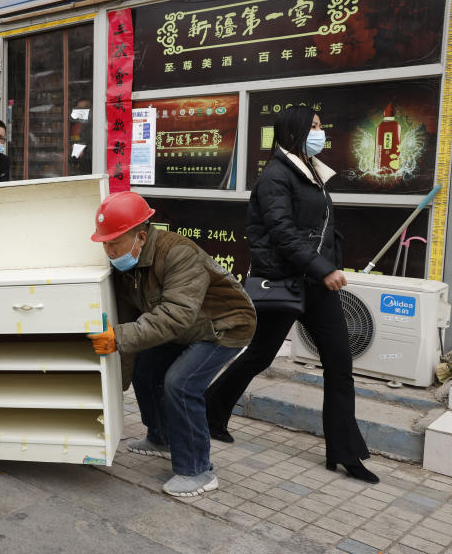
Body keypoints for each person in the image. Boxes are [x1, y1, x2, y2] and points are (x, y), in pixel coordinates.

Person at [204, 106, 379, 484]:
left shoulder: (311, 170)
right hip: (285, 283)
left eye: (320, 125)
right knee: (259, 355)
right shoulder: (275, 176)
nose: (320, 132)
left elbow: (320, 228)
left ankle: (345, 453)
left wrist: (330, 264)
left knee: (339, 365)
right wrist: (324, 268)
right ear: (296, 130)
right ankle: (210, 411)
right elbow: (283, 233)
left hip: (315, 285)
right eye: (314, 126)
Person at [87, 191, 255, 497]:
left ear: (140, 236)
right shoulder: (126, 266)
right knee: (144, 369)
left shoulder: (178, 253)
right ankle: (160, 438)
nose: (109, 250)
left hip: (224, 326)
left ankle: (198, 471)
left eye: (114, 242)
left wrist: (120, 338)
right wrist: (119, 381)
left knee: (180, 383)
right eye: (104, 243)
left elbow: (176, 314)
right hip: (185, 329)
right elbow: (129, 323)